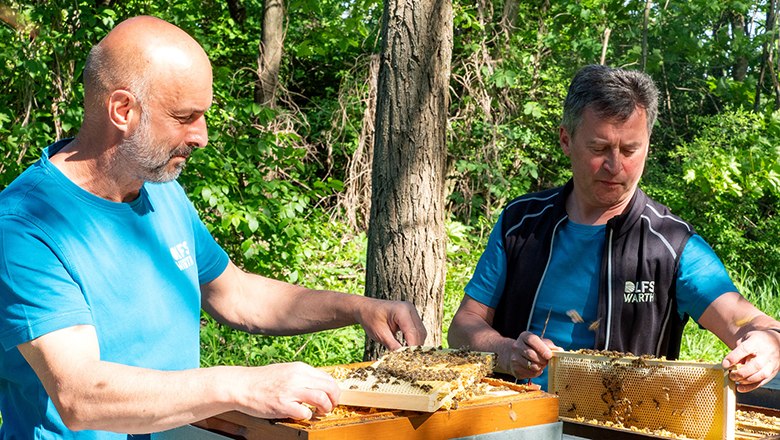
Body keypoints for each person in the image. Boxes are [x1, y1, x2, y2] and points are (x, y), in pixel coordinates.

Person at [0, 16, 427, 439]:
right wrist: (243, 385)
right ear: (122, 110)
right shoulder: (26, 224)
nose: (201, 136)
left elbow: (236, 295)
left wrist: (357, 308)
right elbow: (80, 396)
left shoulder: (158, 189)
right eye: (185, 116)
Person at [448, 64, 780, 394]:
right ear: (566, 139)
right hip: (514, 419)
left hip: (624, 426)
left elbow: (745, 320)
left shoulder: (671, 246)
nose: (615, 166)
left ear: (647, 144)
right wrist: (506, 352)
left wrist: (768, 343)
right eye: (599, 148)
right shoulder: (521, 223)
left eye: (629, 149)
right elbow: (464, 326)